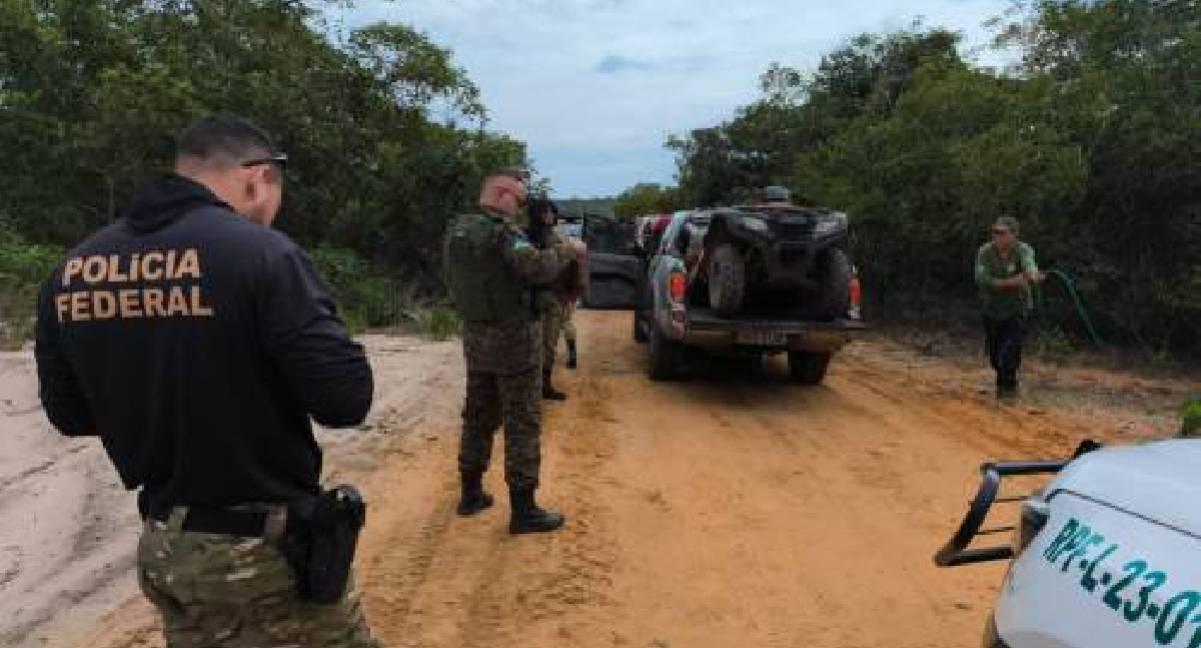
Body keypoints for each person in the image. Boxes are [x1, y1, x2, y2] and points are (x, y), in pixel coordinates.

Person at [34, 114, 381, 646]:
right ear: (256, 177)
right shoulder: (261, 255)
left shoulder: (74, 268)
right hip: (257, 555)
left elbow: (71, 415)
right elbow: (345, 398)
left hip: (165, 545)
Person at [443, 170, 583, 534]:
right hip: (515, 340)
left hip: (476, 337)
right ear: (503, 194)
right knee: (522, 421)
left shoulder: (458, 229)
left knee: (477, 414)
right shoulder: (505, 233)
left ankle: (470, 493)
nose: (521, 208)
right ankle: (525, 510)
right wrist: (565, 251)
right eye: (519, 200)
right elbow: (536, 269)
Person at [974, 216, 1043, 399]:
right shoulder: (985, 252)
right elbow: (981, 279)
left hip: (1017, 308)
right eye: (995, 232)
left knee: (1011, 349)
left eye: (1002, 233)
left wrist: (1032, 274)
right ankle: (1003, 381)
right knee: (996, 356)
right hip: (992, 309)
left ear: (1014, 235)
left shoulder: (1023, 250)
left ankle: (1008, 390)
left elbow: (1029, 264)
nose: (997, 236)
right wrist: (1010, 283)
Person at [526, 196, 569, 399]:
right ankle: (541, 386)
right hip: (541, 296)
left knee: (544, 344)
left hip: (539, 296)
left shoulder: (523, 236)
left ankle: (542, 385)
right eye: (546, 212)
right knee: (543, 344)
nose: (550, 216)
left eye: (552, 212)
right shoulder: (548, 239)